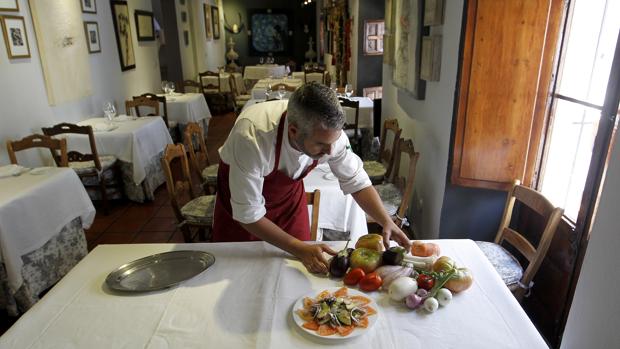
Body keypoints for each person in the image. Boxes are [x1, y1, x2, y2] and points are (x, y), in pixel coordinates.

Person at [213, 83, 411, 274]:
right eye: (321, 144)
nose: (331, 151)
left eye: (334, 141)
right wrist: (297, 247)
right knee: (245, 273)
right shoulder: (252, 136)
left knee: (297, 270)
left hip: (288, 200)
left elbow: (356, 180)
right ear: (293, 131)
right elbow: (247, 214)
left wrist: (386, 221)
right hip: (241, 207)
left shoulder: (330, 135)